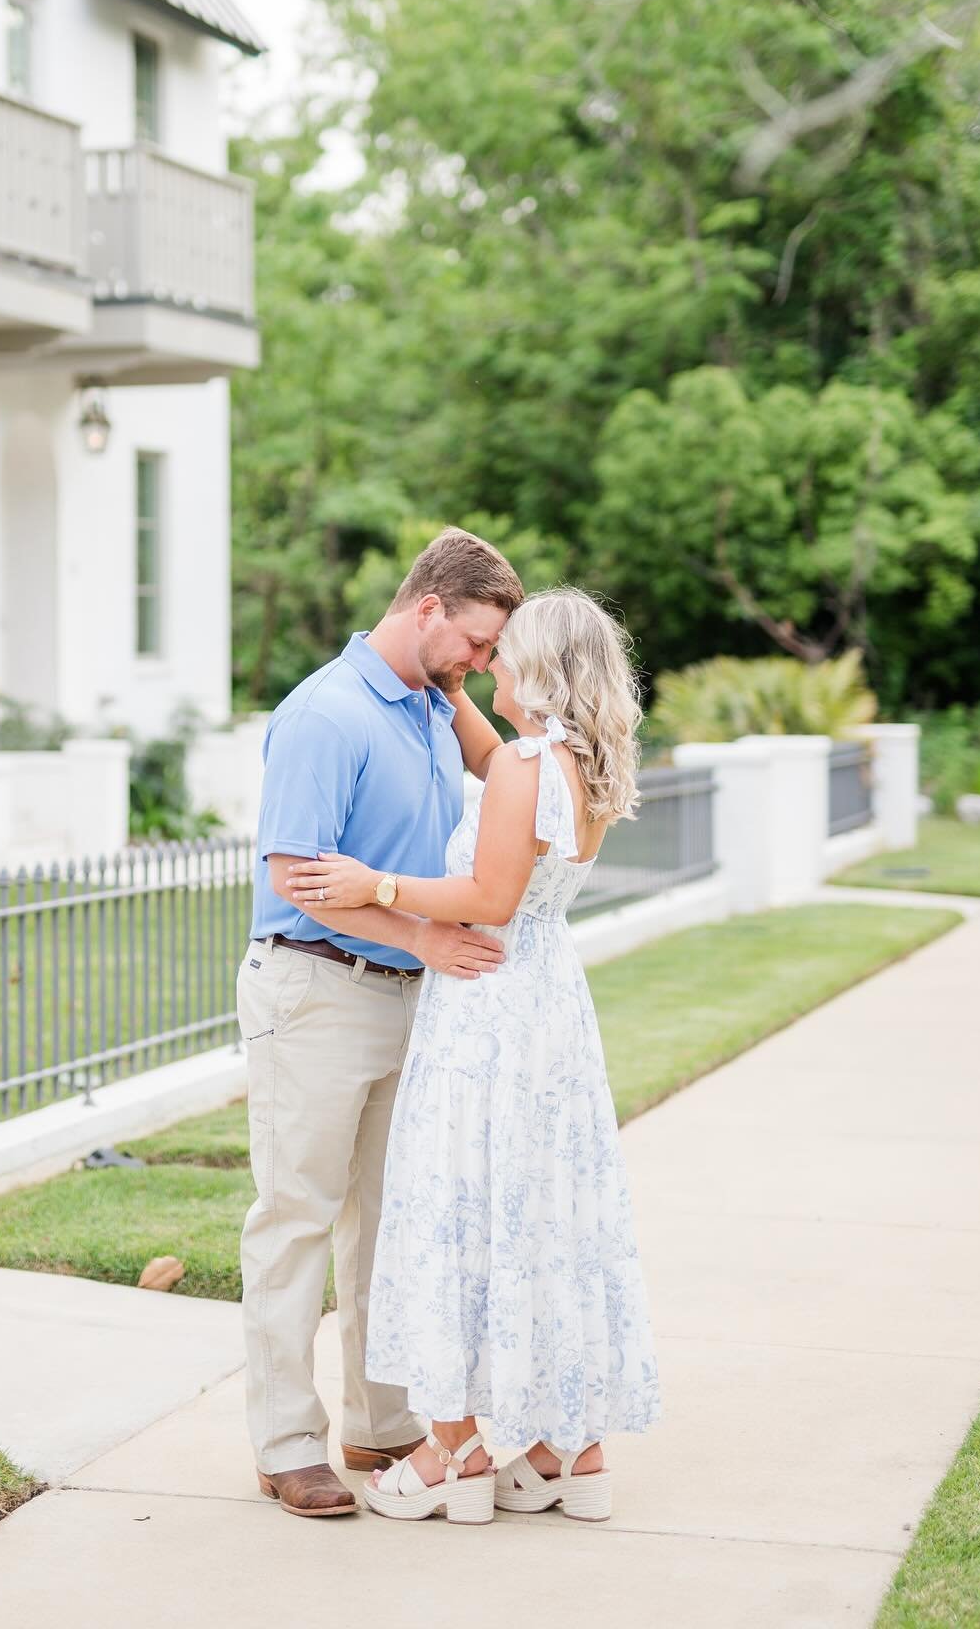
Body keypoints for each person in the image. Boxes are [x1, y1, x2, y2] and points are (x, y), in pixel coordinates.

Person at [286, 587, 662, 1525]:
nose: (486, 665)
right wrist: (443, 683)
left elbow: (489, 895)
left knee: (460, 1201)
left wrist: (375, 883)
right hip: (549, 1009)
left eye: (501, 655)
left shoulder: (527, 768)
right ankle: (564, 1452)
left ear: (538, 669)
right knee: (540, 1212)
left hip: (488, 1004)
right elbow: (499, 774)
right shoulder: (580, 763)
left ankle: (450, 1451)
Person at [238, 527, 525, 1519]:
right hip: (315, 991)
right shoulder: (326, 713)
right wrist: (427, 935)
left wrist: (427, 948)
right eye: (477, 644)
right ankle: (284, 1445)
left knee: (387, 1227)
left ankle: (381, 1420)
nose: (482, 666)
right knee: (296, 1224)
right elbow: (297, 878)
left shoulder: (431, 710)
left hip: (408, 996)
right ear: (428, 609)